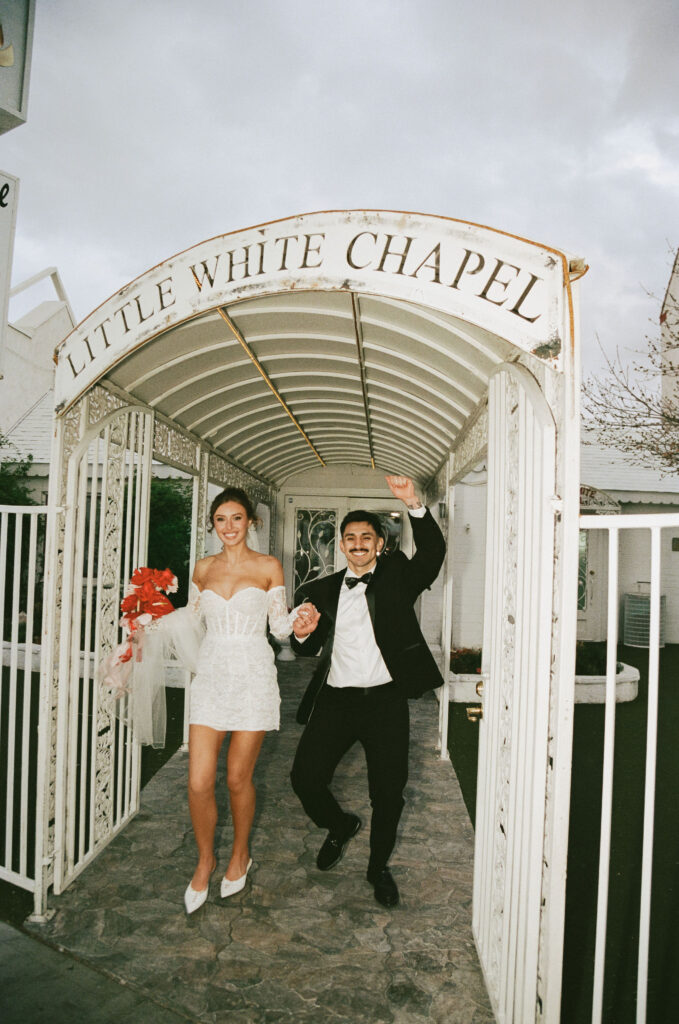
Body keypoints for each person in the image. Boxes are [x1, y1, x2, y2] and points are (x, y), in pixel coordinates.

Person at [289, 475, 446, 907]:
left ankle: (378, 868)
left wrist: (414, 504)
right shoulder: (318, 589)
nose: (358, 543)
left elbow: (432, 554)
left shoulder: (398, 576)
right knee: (304, 779)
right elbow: (307, 647)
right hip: (336, 701)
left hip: (385, 703)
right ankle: (340, 826)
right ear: (341, 545)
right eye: (350, 537)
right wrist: (301, 635)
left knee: (388, 792)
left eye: (367, 537)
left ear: (380, 544)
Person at [183, 487, 306, 914]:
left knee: (237, 779)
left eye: (237, 518)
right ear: (213, 524)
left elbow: (280, 630)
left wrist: (301, 623)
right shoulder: (201, 569)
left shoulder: (269, 566)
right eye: (221, 519)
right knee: (198, 781)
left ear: (250, 522)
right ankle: (205, 859)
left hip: (253, 676)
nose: (229, 527)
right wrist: (149, 620)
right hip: (213, 675)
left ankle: (239, 854)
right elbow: (190, 622)